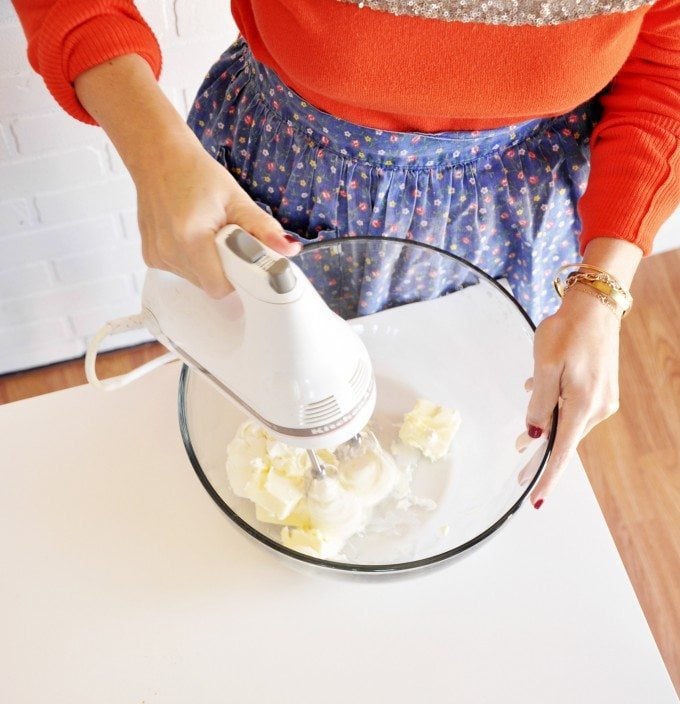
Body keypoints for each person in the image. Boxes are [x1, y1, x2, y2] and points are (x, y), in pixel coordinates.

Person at [11, 0, 680, 508]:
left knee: (446, 442)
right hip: (286, 175)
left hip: (514, 216)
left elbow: (665, 63)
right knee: (272, 413)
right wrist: (153, 150)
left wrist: (602, 288)